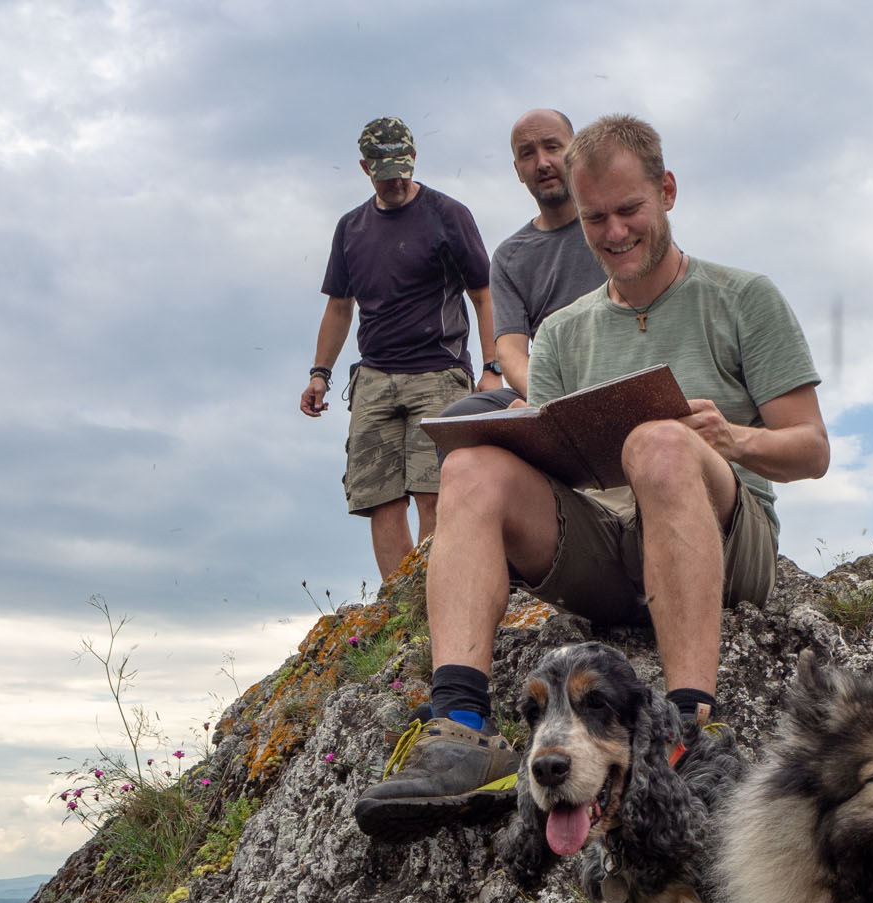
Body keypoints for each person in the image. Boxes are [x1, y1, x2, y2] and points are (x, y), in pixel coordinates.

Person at [354, 114, 829, 838]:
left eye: (630, 210)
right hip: (607, 550)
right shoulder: (565, 333)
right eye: (595, 217)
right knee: (473, 467)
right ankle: (459, 727)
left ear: (667, 192)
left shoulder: (741, 297)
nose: (613, 233)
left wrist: (732, 438)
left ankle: (689, 725)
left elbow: (811, 449)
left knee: (659, 445)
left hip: (726, 543)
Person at [300, 117, 502, 580]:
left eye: (402, 169)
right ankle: (401, 607)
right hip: (373, 378)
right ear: (363, 167)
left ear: (413, 160)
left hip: (439, 372)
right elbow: (338, 308)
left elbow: (484, 294)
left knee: (435, 492)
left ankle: (438, 595)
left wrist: (493, 368)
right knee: (379, 498)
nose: (394, 180)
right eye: (383, 171)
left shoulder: (448, 214)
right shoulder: (351, 227)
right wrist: (319, 373)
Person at [440, 108, 607, 417]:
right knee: (457, 419)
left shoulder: (614, 226)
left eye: (553, 147)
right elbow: (511, 350)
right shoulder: (508, 258)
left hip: (617, 375)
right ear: (518, 170)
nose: (542, 163)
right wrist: (550, 399)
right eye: (528, 154)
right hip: (547, 389)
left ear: (577, 151)